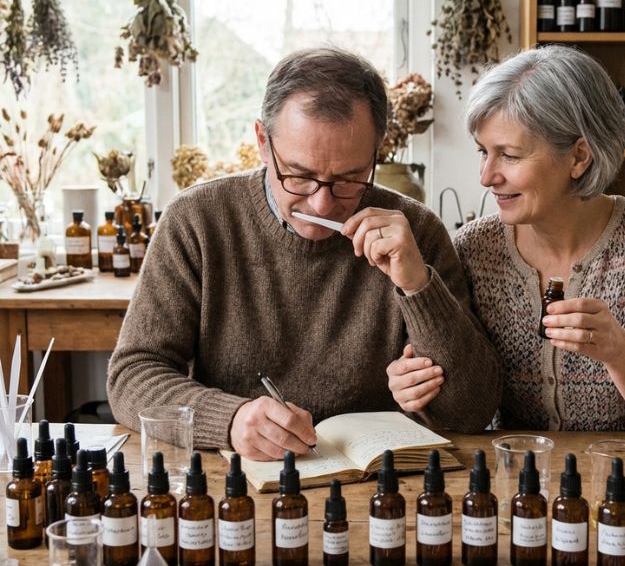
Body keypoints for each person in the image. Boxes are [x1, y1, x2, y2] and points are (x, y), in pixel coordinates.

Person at [107, 47, 502, 459]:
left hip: (378, 484)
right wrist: (231, 420)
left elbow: (471, 412)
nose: (321, 205)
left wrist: (418, 285)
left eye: (349, 179)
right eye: (299, 176)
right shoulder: (197, 221)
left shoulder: (416, 231)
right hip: (234, 480)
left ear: (377, 152)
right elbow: (133, 374)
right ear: (263, 142)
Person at [388, 45, 625, 445]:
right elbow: (464, 409)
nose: (486, 176)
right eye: (483, 152)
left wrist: (619, 352)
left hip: (624, 486)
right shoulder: (474, 249)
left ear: (579, 156)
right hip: (509, 480)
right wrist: (416, 392)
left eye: (508, 155)